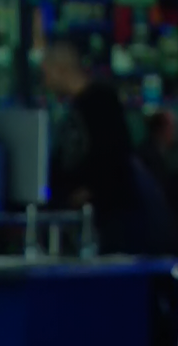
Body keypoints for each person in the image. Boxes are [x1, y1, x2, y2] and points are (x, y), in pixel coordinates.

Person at [40, 40, 138, 253]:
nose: (45, 82)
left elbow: (114, 156)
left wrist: (90, 191)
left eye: (46, 74)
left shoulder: (102, 102)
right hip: (81, 219)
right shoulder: (71, 108)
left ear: (61, 69)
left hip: (108, 221)